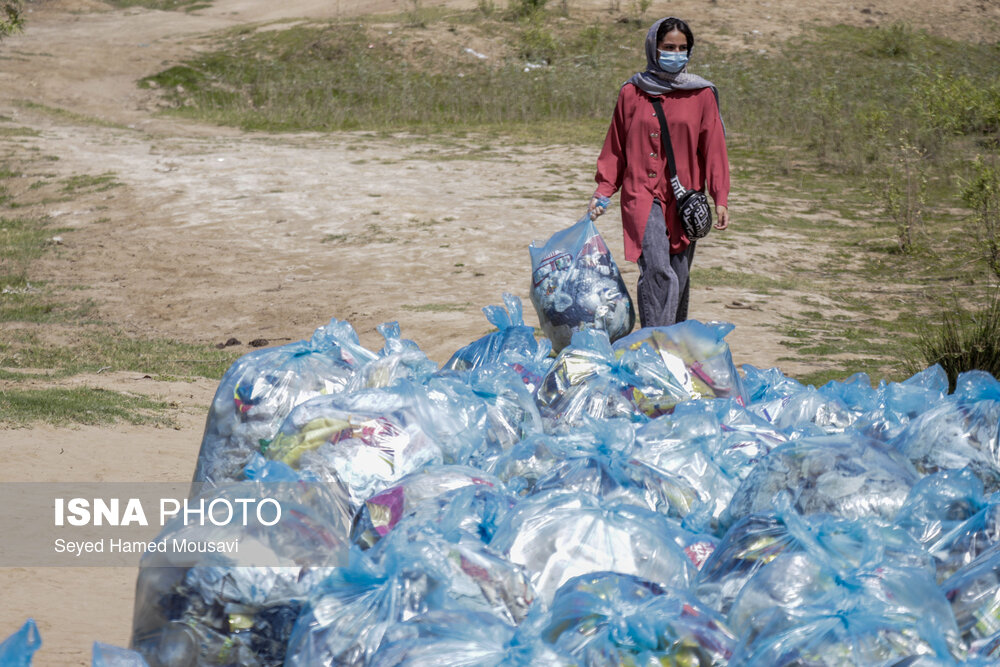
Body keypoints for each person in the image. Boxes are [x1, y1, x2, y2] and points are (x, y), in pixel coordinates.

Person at [588, 16, 730, 329]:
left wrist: (720, 196)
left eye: (682, 48)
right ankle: (654, 345)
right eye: (668, 47)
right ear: (654, 48)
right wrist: (603, 190)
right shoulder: (631, 92)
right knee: (656, 270)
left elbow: (714, 149)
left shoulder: (702, 94)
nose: (676, 54)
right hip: (641, 194)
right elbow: (616, 146)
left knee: (679, 274)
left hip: (683, 200)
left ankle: (672, 344)